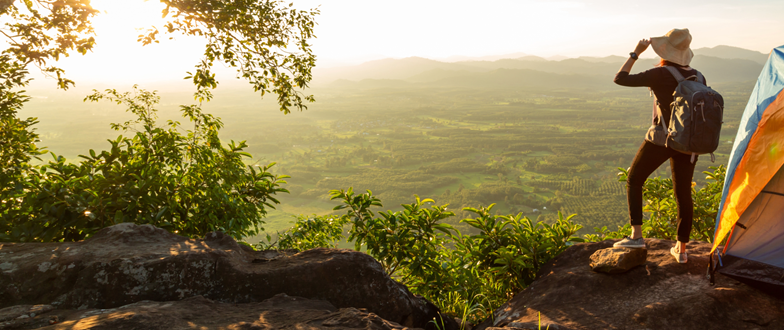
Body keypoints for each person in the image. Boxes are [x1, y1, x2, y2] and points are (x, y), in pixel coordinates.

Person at [611, 28, 703, 263]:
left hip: (663, 139)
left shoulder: (660, 73)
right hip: (689, 142)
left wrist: (635, 53)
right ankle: (681, 251)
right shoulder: (698, 77)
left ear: (665, 51)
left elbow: (620, 78)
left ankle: (636, 236)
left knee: (634, 178)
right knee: (683, 193)